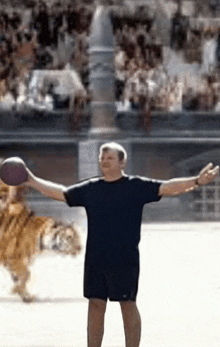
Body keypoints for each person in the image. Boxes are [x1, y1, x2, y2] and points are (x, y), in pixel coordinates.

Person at [24, 142, 219, 347]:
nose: (104, 161)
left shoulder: (136, 186)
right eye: (102, 157)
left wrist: (196, 181)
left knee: (127, 304)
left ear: (122, 162)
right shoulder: (91, 188)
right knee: (96, 305)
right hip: (96, 258)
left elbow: (169, 187)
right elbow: (62, 193)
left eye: (109, 158)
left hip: (125, 258)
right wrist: (32, 180)